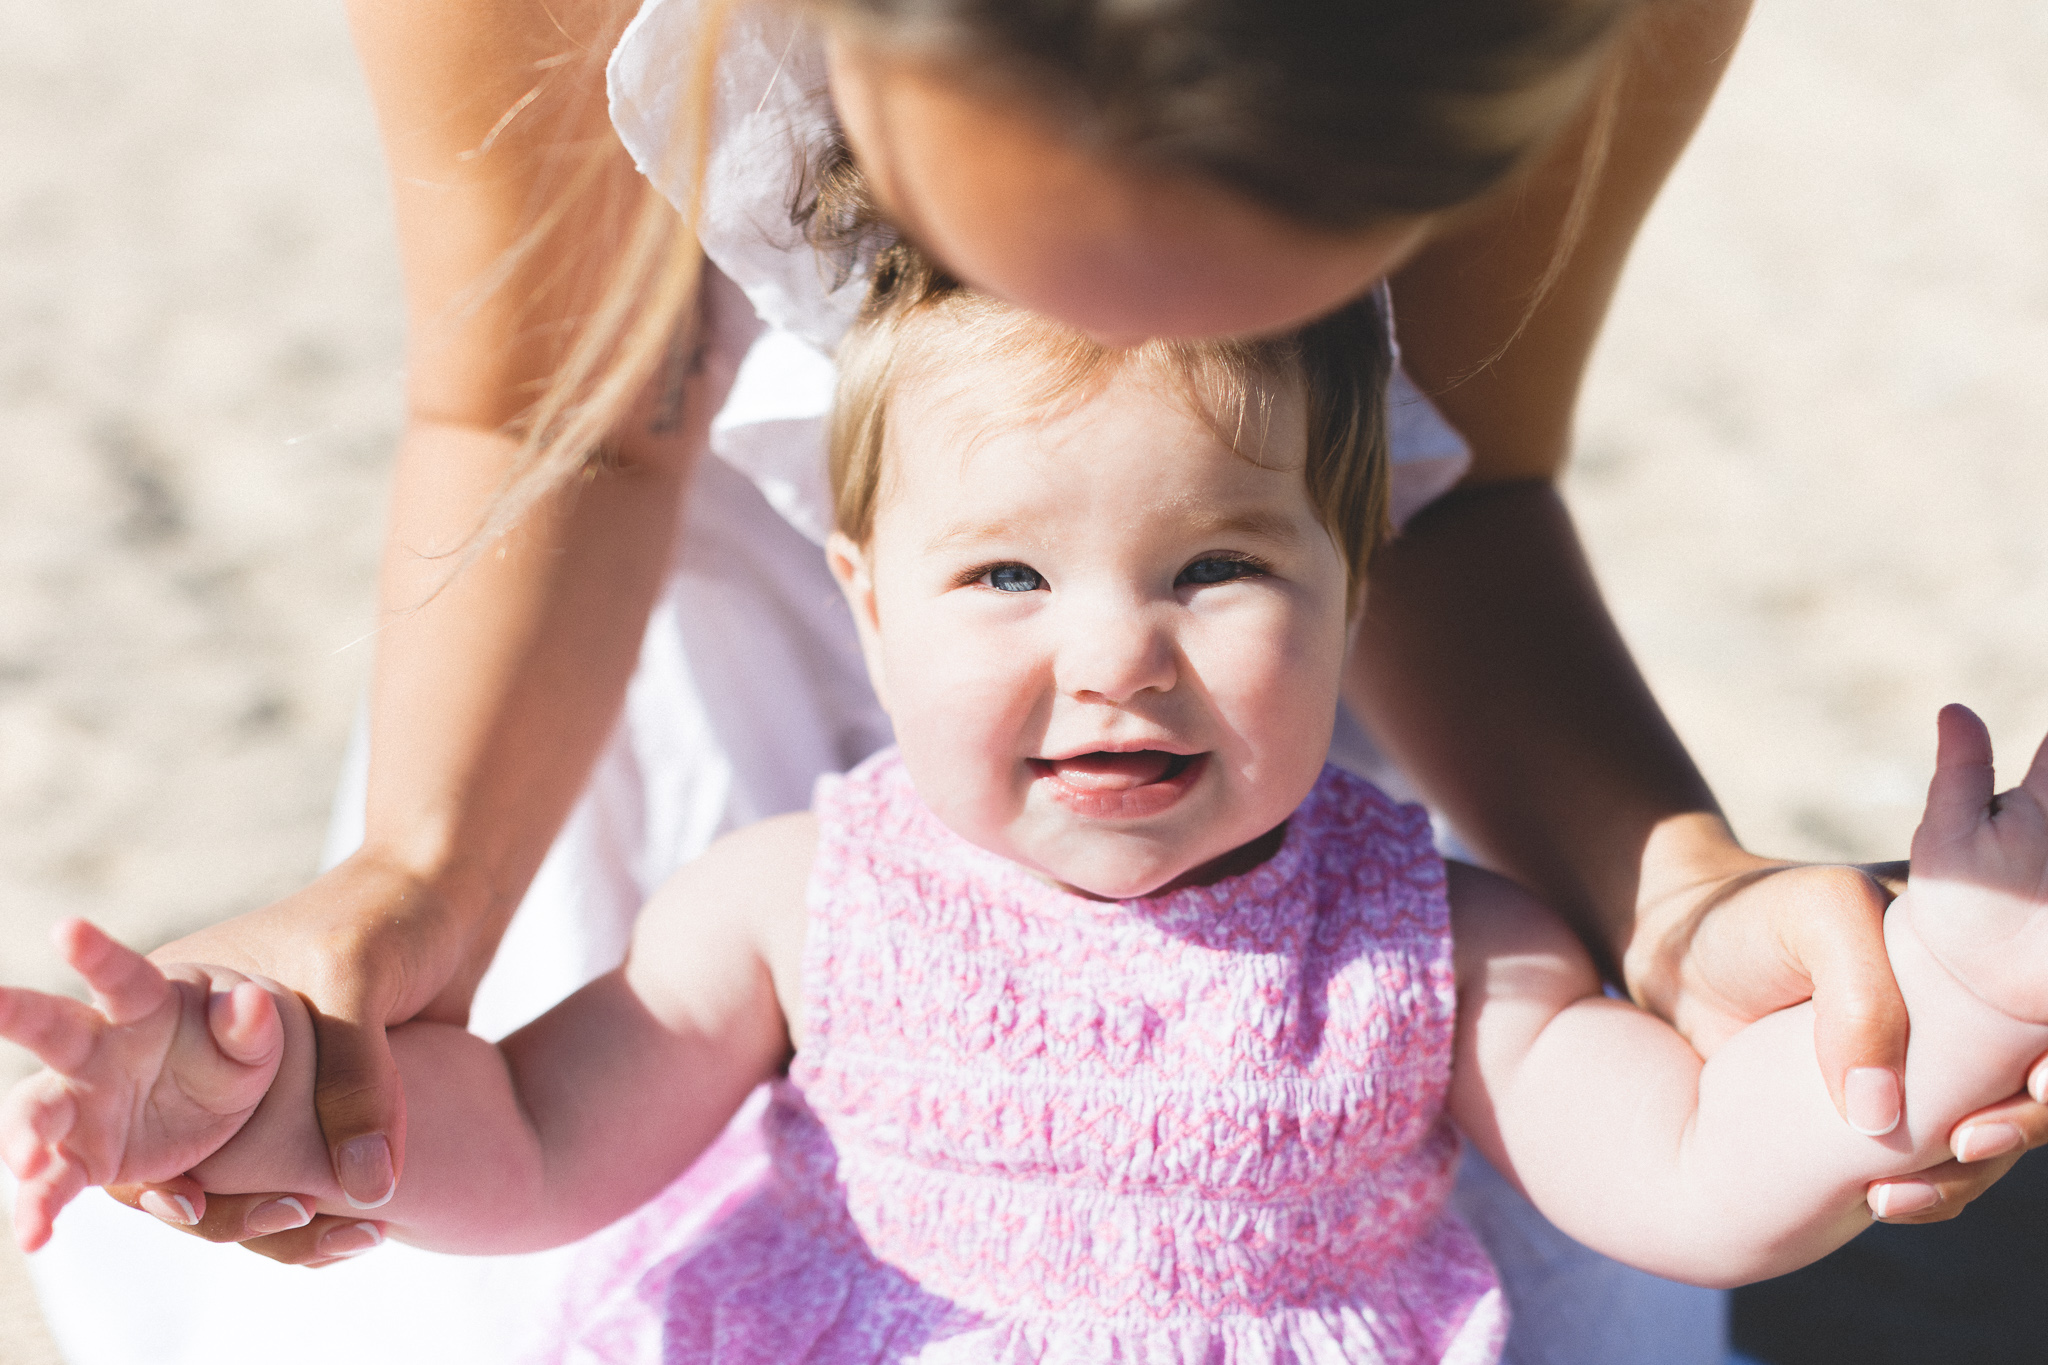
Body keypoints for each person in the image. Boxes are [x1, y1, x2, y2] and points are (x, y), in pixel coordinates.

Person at [17, 0, 2048, 1361]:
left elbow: (1693, 1168)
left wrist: (1921, 990)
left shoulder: (1431, 946)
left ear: (1340, 561)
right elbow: (529, 1147)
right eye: (1005, 571)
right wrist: (329, 1047)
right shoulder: (784, 900)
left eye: (1221, 565)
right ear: (865, 591)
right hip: (625, 587)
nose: (1113, 658)